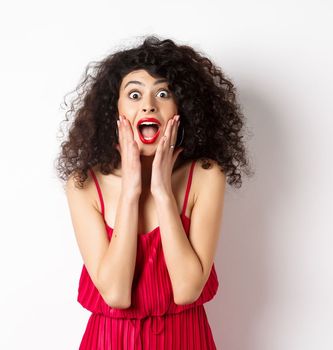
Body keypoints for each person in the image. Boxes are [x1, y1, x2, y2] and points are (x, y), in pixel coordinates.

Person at [55, 35, 253, 349]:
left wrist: (161, 191)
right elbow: (116, 294)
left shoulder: (204, 176)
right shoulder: (84, 185)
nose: (148, 105)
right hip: (109, 341)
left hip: (185, 339)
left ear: (180, 107)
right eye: (134, 94)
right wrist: (132, 191)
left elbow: (188, 289)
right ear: (115, 109)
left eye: (163, 93)